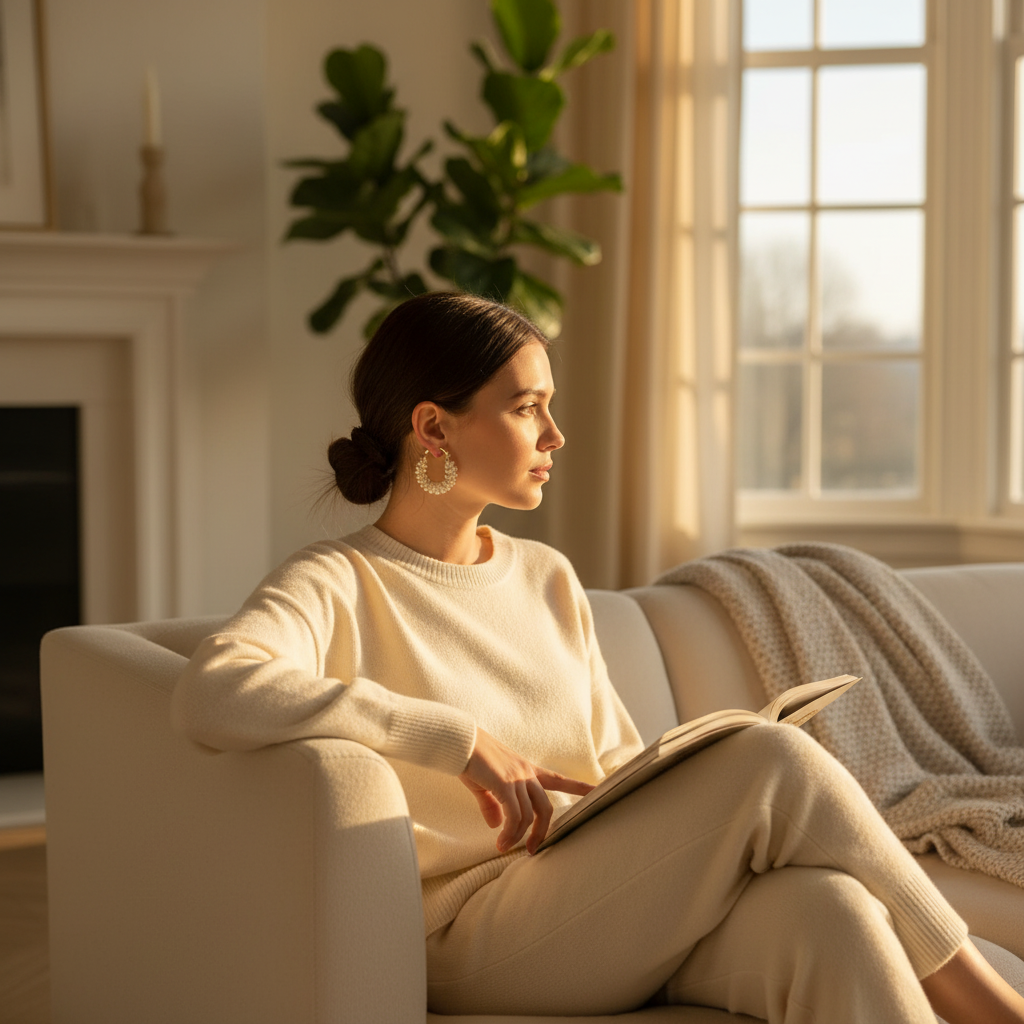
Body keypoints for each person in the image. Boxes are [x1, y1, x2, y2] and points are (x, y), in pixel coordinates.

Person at [173, 292, 1024, 1023]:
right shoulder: (339, 580)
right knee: (772, 760)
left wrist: (654, 782)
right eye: (525, 406)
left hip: (599, 895)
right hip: (474, 933)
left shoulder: (546, 575)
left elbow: (611, 757)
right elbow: (216, 689)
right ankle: (991, 1007)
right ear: (433, 426)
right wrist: (455, 739)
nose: (556, 433)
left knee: (829, 912)